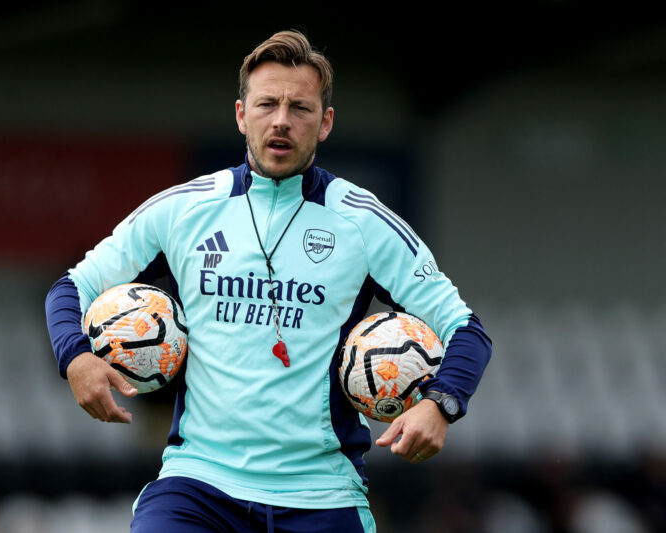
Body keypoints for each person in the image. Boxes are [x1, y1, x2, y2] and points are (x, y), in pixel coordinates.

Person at [45, 29, 491, 533]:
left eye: (299, 108)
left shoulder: (363, 222)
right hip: (199, 486)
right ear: (241, 115)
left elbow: (466, 330)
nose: (281, 120)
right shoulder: (185, 208)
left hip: (323, 495)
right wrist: (76, 357)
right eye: (267, 104)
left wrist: (441, 404)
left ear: (324, 124)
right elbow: (70, 288)